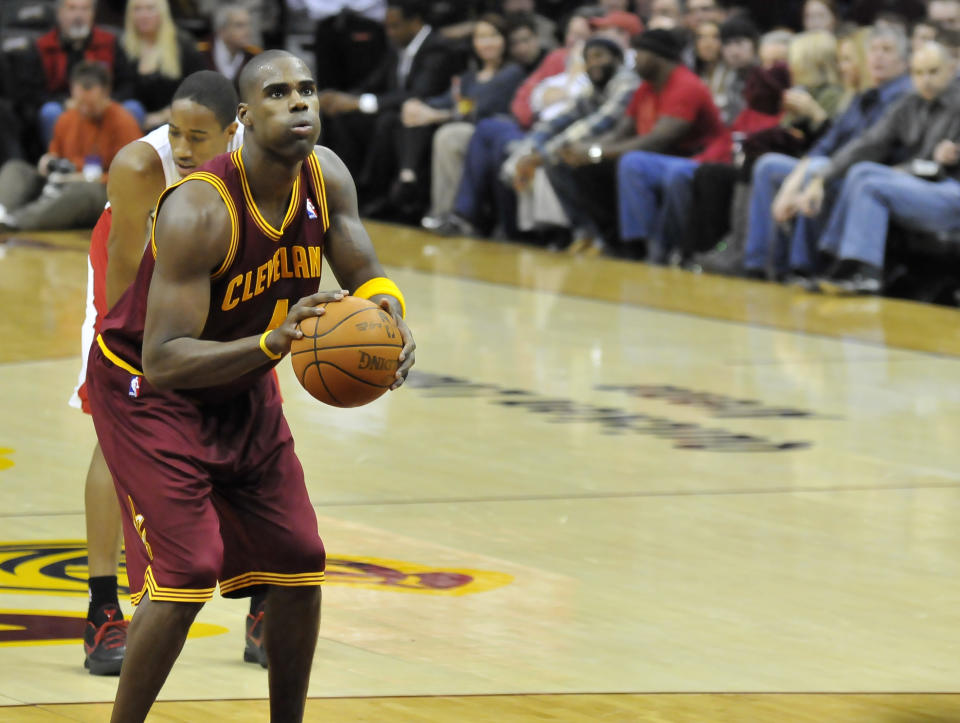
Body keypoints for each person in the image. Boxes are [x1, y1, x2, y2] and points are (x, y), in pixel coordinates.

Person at [86, 50, 415, 721]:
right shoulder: (198, 209)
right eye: (277, 92)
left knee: (300, 558)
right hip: (148, 392)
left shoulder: (327, 177)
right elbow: (167, 359)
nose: (298, 102)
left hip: (241, 381)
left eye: (307, 89)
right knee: (188, 571)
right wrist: (271, 343)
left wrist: (391, 320)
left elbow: (362, 265)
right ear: (243, 116)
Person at [70, 70, 244, 676]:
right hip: (133, 270)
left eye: (201, 136)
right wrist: (133, 369)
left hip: (214, 268)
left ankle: (266, 597)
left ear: (235, 129)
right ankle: (101, 611)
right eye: (176, 132)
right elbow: (122, 271)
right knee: (118, 425)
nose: (186, 147)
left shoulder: (260, 158)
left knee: (246, 425)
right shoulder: (142, 167)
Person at [800, 41, 960, 294]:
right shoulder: (910, 103)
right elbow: (868, 143)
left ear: (952, 69)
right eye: (918, 73)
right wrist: (821, 177)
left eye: (933, 71)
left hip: (952, 191)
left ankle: (863, 271)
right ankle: (841, 261)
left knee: (870, 183)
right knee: (861, 170)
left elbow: (936, 168)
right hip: (921, 184)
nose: (925, 80)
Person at [0, 61, 142, 231]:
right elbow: (54, 155)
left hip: (99, 188)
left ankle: (13, 222)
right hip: (60, 182)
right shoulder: (67, 118)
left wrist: (83, 178)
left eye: (91, 104)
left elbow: (130, 178)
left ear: (106, 93)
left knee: (84, 193)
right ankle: (2, 210)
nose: (84, 110)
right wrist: (48, 161)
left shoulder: (123, 123)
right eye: (79, 103)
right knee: (15, 168)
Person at [29, 0, 141, 144]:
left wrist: (107, 102)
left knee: (133, 108)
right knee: (50, 111)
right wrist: (65, 102)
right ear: (59, 13)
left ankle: (129, 163)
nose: (78, 15)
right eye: (72, 9)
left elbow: (128, 83)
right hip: (64, 106)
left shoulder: (110, 42)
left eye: (85, 9)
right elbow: (33, 92)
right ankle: (56, 162)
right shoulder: (42, 46)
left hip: (106, 104)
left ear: (93, 14)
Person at [123, 0, 209, 131]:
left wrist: (163, 115)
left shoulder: (183, 45)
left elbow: (199, 91)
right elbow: (120, 92)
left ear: (162, 12)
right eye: (137, 9)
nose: (143, 15)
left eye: (150, 8)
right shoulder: (124, 47)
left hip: (175, 122)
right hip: (133, 124)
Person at [198, 4, 262, 90]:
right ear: (221, 30)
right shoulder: (201, 53)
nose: (248, 31)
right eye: (239, 25)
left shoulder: (254, 56)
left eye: (248, 25)